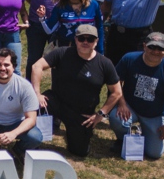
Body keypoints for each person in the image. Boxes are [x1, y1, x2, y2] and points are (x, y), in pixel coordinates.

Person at [30, 24, 122, 158]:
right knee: (35, 106)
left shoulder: (104, 63)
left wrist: (100, 114)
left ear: (96, 41)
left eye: (90, 39)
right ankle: (32, 140)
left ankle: (74, 135)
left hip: (81, 113)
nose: (85, 42)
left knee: (79, 151)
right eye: (81, 38)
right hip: (56, 101)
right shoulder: (62, 52)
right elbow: (36, 66)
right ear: (75, 39)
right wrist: (37, 94)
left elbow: (117, 92)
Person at [109, 32, 164, 160]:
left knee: (154, 154)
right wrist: (122, 104)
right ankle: (122, 139)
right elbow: (116, 83)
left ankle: (143, 134)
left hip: (154, 114)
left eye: (160, 48)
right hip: (130, 107)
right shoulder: (129, 59)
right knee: (116, 119)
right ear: (144, 46)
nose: (155, 51)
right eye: (151, 47)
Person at [37, 0, 105, 53]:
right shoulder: (60, 7)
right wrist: (42, 17)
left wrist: (100, 51)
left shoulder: (93, 5)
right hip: (66, 49)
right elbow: (49, 30)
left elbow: (99, 28)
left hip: (87, 49)